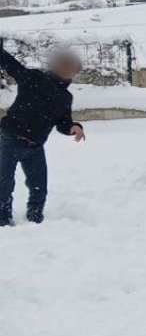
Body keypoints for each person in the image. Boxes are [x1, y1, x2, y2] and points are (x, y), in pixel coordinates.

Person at [0, 39, 86, 226]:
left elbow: (63, 123)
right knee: (4, 184)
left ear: (74, 74)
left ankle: (35, 218)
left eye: (71, 68)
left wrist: (73, 127)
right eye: (64, 65)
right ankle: (3, 221)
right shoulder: (34, 78)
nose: (66, 70)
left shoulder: (65, 97)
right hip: (10, 139)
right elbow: (12, 66)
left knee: (39, 187)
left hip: (35, 146)